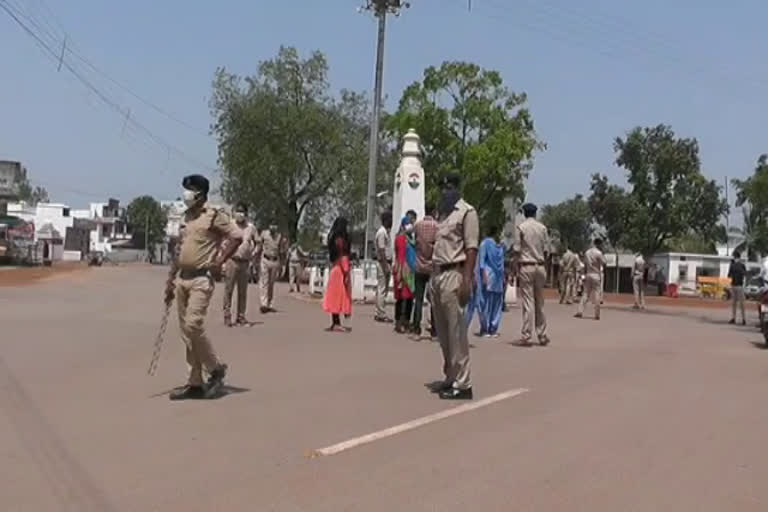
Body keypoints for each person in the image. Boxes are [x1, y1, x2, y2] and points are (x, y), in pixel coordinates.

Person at [166, 174, 243, 400]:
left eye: (190, 190)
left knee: (193, 325)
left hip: (202, 278)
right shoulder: (186, 217)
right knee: (186, 333)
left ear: (200, 193)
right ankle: (195, 382)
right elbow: (179, 249)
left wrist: (219, 261)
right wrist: (170, 279)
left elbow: (237, 236)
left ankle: (216, 368)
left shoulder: (213, 215)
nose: (186, 194)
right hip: (182, 278)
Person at [431, 172, 479, 400]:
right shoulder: (442, 216)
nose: (444, 191)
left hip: (455, 273)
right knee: (442, 332)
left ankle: (463, 382)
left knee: (456, 332)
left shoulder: (467, 213)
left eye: (448, 186)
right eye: (442, 187)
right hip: (438, 274)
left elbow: (471, 248)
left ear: (456, 189)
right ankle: (451, 376)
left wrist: (467, 280)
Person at [513, 203, 551, 346]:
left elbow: (517, 249)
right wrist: (545, 268)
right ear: (535, 213)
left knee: (528, 302)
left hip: (526, 266)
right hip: (540, 266)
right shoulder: (542, 228)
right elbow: (547, 251)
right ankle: (542, 334)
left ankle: (527, 335)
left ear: (524, 213)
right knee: (540, 302)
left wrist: (514, 267)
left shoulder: (521, 227)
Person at [222, 203, 259, 327]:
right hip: (232, 261)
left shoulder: (251, 227)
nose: (240, 214)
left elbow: (258, 242)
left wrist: (254, 253)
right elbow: (222, 240)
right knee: (229, 290)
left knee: (243, 291)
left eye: (242, 211)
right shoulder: (230, 225)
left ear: (246, 214)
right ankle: (227, 316)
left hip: (245, 262)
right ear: (234, 213)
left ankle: (241, 316)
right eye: (238, 211)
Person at [412, 203, 438, 338]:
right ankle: (434, 330)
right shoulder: (437, 226)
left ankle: (416, 329)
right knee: (434, 300)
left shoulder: (417, 225)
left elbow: (412, 238)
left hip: (419, 265)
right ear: (433, 211)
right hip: (432, 267)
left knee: (419, 299)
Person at [323, 217, 352, 332]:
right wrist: (346, 272)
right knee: (341, 296)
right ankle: (337, 323)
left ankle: (335, 321)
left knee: (334, 297)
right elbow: (343, 256)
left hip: (335, 268)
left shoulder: (332, 237)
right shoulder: (342, 240)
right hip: (341, 269)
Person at [477, 224, 506, 337]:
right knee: (495, 304)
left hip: (490, 276)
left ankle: (486, 328)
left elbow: (481, 262)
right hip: (496, 278)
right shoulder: (498, 246)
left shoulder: (485, 244)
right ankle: (491, 328)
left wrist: (483, 275)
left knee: (486, 303)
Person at [393, 216, 416, 333]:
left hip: (410, 270)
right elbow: (401, 257)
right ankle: (400, 322)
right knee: (402, 298)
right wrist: (401, 273)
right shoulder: (401, 238)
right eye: (408, 224)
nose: (410, 226)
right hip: (403, 270)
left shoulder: (409, 238)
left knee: (409, 298)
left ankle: (406, 321)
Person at [576, 238, 606, 320]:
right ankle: (597, 314)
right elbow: (604, 262)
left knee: (585, 293)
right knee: (597, 294)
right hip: (596, 274)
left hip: (588, 273)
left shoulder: (587, 252)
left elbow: (585, 264)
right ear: (599, 244)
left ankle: (580, 311)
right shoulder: (599, 253)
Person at [375, 211, 394, 323]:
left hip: (385, 262)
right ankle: (381, 313)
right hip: (383, 262)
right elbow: (381, 250)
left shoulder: (385, 232)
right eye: (390, 219)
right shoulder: (382, 233)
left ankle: (379, 312)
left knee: (381, 289)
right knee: (382, 289)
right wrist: (386, 265)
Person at [259, 222, 282, 313]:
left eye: (275, 225)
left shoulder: (279, 236)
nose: (273, 226)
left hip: (275, 260)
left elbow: (280, 250)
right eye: (271, 224)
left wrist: (281, 264)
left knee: (271, 284)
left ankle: (270, 304)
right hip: (265, 259)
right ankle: (263, 304)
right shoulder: (264, 234)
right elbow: (260, 246)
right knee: (264, 282)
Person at [728, 251, 747, 325]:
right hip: (738, 285)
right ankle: (741, 319)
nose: (734, 259)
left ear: (737, 258)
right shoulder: (741, 265)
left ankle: (736, 318)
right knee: (739, 304)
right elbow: (745, 274)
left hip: (736, 285)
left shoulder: (734, 266)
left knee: (736, 304)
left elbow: (729, 275)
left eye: (734, 257)